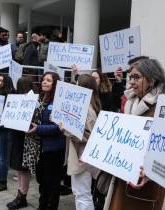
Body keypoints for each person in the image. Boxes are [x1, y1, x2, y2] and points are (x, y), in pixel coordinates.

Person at [104, 58, 165, 210]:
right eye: (130, 77)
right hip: (123, 175)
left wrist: (150, 170)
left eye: (136, 77)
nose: (131, 81)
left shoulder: (164, 106)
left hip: (145, 183)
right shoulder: (129, 103)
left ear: (152, 79)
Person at [28, 72, 65, 210]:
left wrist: (38, 129)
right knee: (42, 181)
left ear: (55, 83)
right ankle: (42, 206)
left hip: (54, 149)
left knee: (52, 183)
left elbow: (58, 128)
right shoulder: (40, 99)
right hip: (40, 149)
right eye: (43, 80)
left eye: (48, 80)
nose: (44, 82)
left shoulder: (59, 102)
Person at [63, 74, 101, 210]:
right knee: (80, 193)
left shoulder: (88, 110)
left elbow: (89, 136)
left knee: (82, 194)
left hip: (83, 158)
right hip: (80, 156)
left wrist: (65, 129)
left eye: (78, 84)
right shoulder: (87, 107)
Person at [6, 76, 33, 210]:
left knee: (23, 168)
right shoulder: (16, 98)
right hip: (17, 136)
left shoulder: (33, 99)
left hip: (25, 138)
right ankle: (20, 193)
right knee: (18, 167)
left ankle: (22, 195)